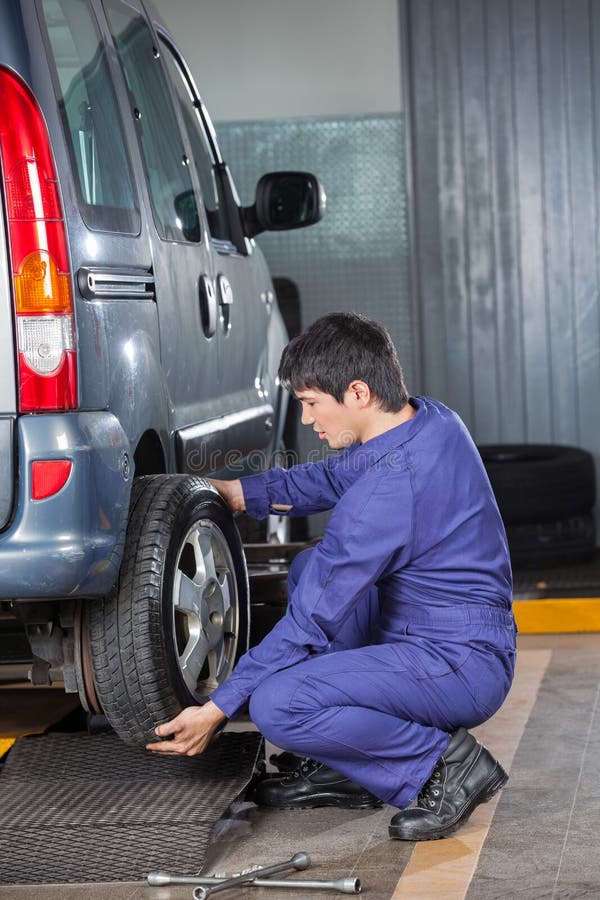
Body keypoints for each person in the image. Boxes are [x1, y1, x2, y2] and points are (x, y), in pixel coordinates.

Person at [146, 312, 516, 842]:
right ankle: (349, 767)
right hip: (449, 633)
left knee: (279, 704)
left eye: (311, 402)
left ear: (358, 392)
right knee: (307, 567)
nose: (306, 419)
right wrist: (239, 494)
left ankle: (447, 765)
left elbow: (307, 626)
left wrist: (217, 707)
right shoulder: (428, 421)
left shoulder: (387, 492)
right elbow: (331, 477)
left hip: (457, 664)